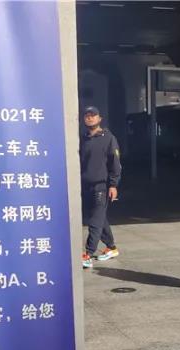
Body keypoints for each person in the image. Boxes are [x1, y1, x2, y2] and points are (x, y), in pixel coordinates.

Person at [79, 106, 122, 269]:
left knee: (95, 221)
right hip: (86, 186)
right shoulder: (83, 138)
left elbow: (115, 164)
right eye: (87, 115)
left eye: (93, 115)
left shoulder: (108, 138)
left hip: (101, 186)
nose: (90, 118)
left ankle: (88, 254)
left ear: (99, 119)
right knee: (99, 218)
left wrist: (113, 184)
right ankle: (111, 247)